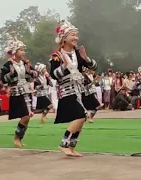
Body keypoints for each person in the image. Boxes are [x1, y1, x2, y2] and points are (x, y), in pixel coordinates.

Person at [50, 20, 97, 157]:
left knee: (82, 118)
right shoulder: (57, 55)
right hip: (66, 90)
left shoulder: (77, 54)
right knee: (80, 116)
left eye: (77, 35)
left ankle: (71, 146)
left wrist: (86, 58)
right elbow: (54, 75)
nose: (76, 38)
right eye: (73, 35)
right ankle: (63, 144)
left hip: (79, 90)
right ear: (64, 38)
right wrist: (64, 65)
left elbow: (93, 68)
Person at [0, 36, 38, 147]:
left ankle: (19, 138)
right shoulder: (8, 65)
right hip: (16, 92)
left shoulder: (25, 63)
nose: (23, 52)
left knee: (27, 117)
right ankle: (16, 138)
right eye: (21, 50)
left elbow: (35, 74)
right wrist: (10, 75)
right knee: (25, 116)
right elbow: (2, 79)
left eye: (23, 50)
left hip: (26, 91)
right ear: (14, 52)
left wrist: (30, 72)